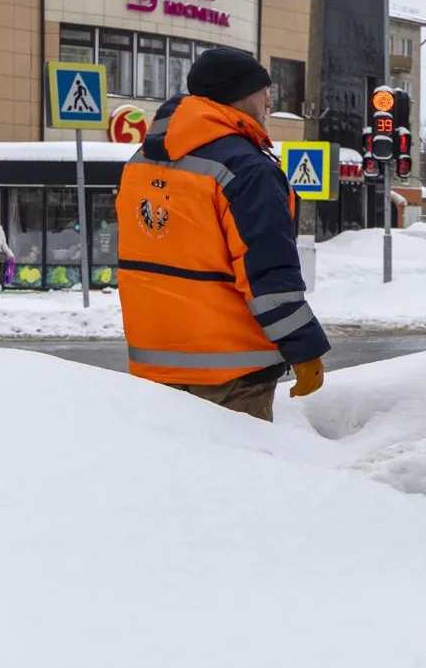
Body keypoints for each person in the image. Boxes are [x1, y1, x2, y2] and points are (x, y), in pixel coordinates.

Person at [117, 48, 328, 421]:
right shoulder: (246, 169)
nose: (269, 101)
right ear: (240, 96)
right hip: (231, 376)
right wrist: (303, 348)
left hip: (153, 367)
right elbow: (267, 273)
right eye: (264, 91)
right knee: (237, 477)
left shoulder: (140, 162)